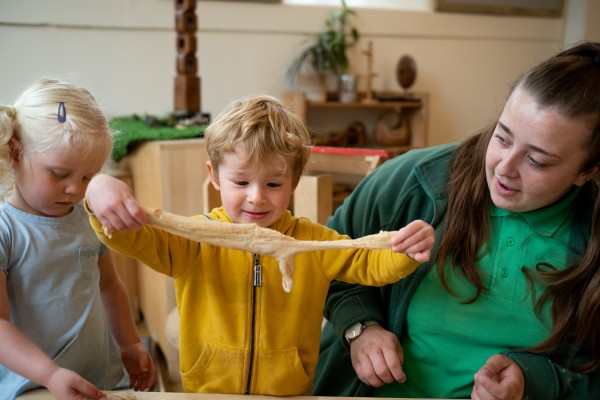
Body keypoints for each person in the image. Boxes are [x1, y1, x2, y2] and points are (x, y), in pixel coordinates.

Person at [83, 94, 435, 396]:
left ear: (294, 181)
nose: (256, 198)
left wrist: (402, 253)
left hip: (289, 394)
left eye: (273, 184)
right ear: (214, 176)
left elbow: (364, 261)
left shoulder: (313, 241)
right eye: (241, 181)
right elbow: (133, 236)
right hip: (208, 395)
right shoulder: (192, 241)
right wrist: (99, 192)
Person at [312, 40, 600, 399]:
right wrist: (360, 327)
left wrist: (536, 381)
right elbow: (324, 259)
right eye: (502, 138)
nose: (504, 168)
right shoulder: (415, 180)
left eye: (537, 161)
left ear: (587, 170)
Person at [0, 78, 156, 400]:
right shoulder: (6, 230)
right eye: (60, 174)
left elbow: (110, 285)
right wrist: (51, 375)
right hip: (32, 388)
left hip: (100, 380)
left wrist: (129, 343)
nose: (76, 189)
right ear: (16, 152)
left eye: (88, 176)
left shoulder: (87, 218)